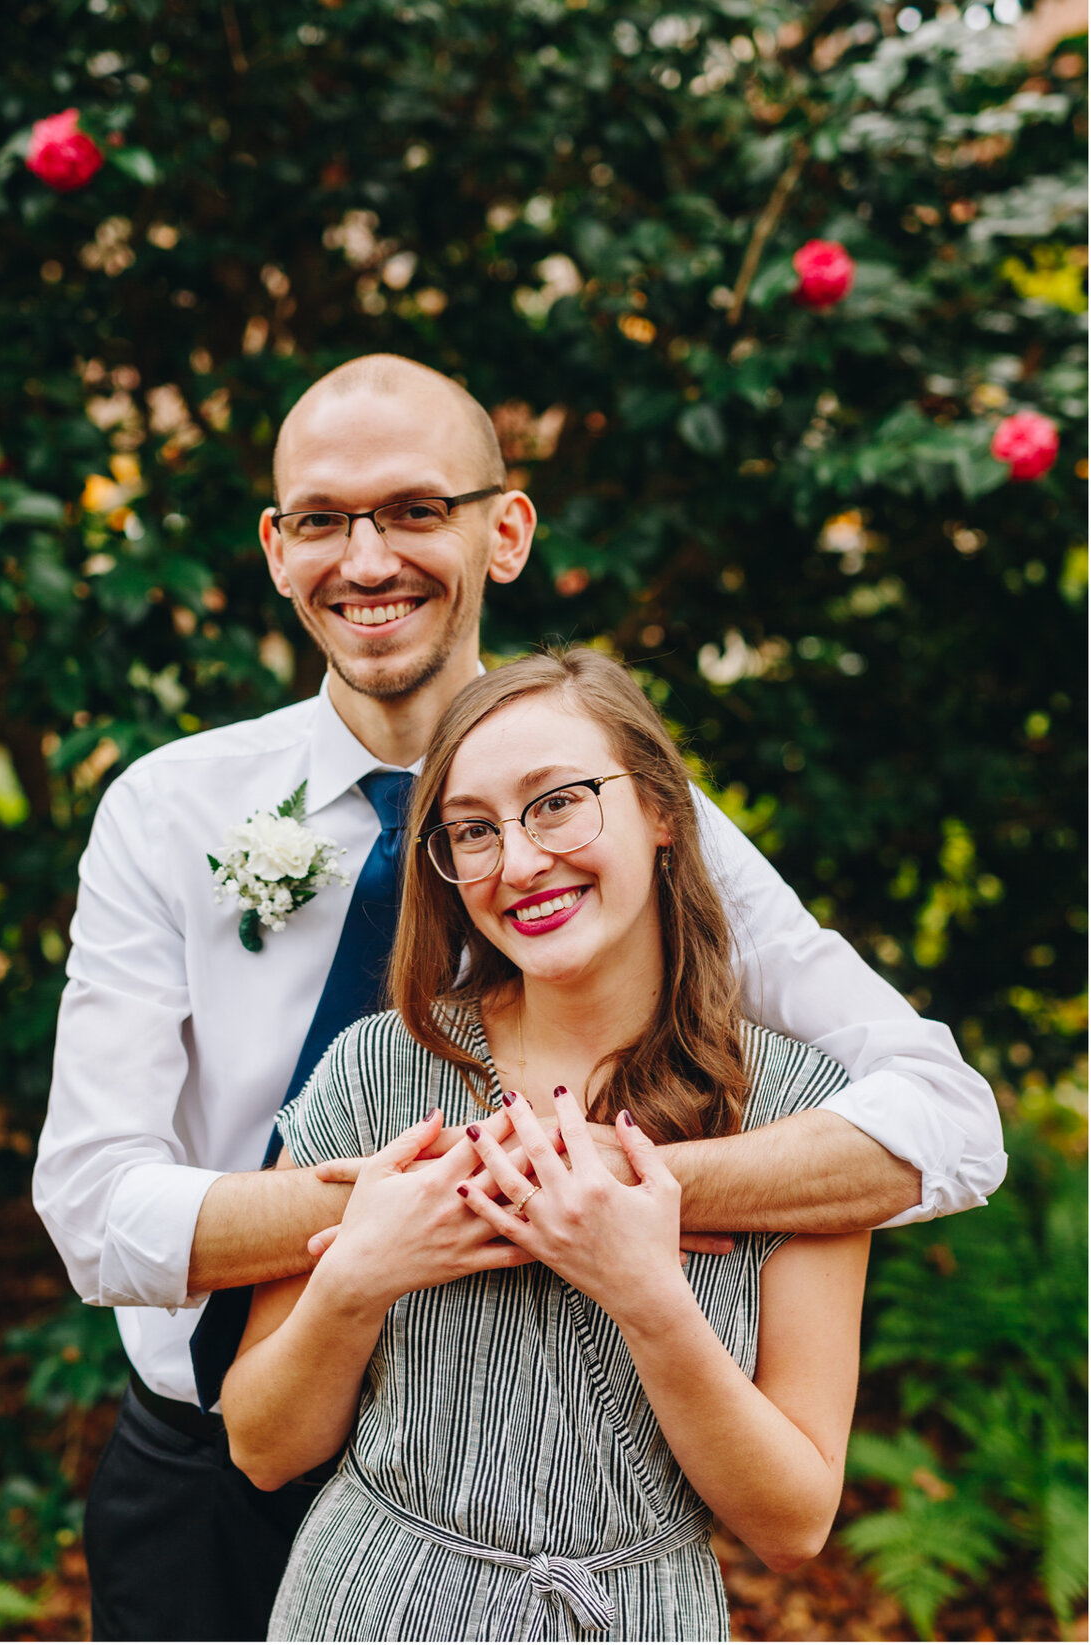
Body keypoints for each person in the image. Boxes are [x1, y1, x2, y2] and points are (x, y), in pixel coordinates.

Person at [31, 354, 1006, 1640]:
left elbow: (947, 1119)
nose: (365, 558)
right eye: (322, 520)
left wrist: (592, 1192)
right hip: (215, 1465)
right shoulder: (167, 812)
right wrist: (379, 1220)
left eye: (415, 509)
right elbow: (95, 1209)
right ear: (275, 550)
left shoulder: (640, 819)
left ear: (506, 530)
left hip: (570, 1523)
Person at [223, 645, 869, 1641]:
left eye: (557, 801)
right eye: (471, 829)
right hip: (373, 1603)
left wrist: (647, 1295)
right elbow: (263, 1447)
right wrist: (357, 1276)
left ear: (661, 809)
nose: (518, 861)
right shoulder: (372, 1070)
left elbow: (792, 1521)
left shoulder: (799, 1114)